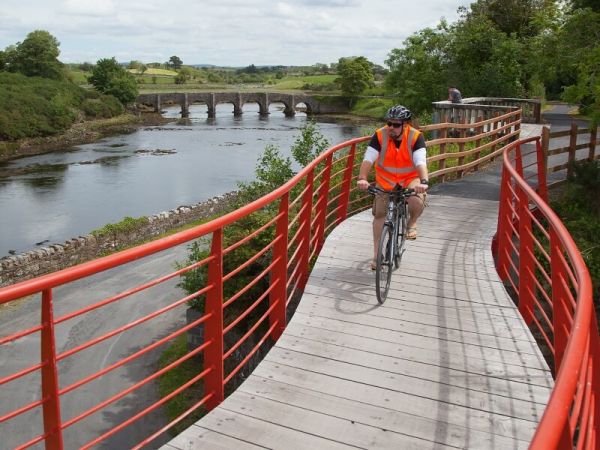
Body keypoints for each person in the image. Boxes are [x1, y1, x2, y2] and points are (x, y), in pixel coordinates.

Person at [356, 105, 429, 269]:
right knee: (380, 215)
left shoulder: (415, 137)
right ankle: (376, 256)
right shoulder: (380, 135)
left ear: (405, 124)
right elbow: (369, 158)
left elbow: (420, 161)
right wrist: (362, 178)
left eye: (396, 124)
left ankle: (411, 223)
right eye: (389, 123)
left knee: (416, 201)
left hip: (410, 178)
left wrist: (423, 182)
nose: (391, 127)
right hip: (386, 180)